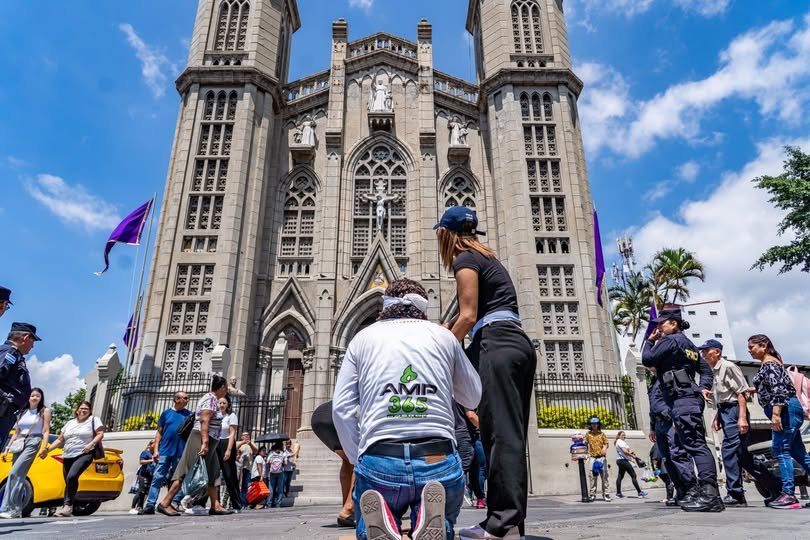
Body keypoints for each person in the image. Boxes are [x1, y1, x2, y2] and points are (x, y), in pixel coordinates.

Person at [332, 278, 482, 540]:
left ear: (385, 306)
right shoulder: (443, 337)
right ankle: (429, 519)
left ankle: (383, 523)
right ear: (423, 309)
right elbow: (472, 396)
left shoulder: (362, 338)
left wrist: (359, 457)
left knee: (374, 497)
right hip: (436, 459)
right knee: (442, 505)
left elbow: (342, 409)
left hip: (381, 458)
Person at [435, 206, 536, 540]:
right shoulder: (488, 258)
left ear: (446, 234)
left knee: (501, 437)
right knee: (506, 435)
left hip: (497, 344)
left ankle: (502, 523)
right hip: (514, 341)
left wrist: (435, 348)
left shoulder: (464, 259)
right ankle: (507, 524)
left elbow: (466, 316)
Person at [642, 308, 722, 512]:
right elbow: (705, 370)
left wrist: (651, 341)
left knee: (695, 446)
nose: (659, 327)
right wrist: (703, 387)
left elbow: (648, 360)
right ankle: (708, 495)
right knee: (695, 445)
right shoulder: (690, 345)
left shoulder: (671, 340)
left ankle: (710, 496)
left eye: (663, 323)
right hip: (688, 398)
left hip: (682, 400)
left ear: (674, 324)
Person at [700, 338, 776, 507]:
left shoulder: (728, 366)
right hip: (726, 411)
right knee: (743, 457)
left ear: (717, 352)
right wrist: (718, 416)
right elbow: (724, 396)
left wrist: (741, 417)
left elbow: (741, 394)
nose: (703, 354)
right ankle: (775, 486)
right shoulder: (715, 370)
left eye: (706, 350)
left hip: (735, 411)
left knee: (729, 451)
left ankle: (736, 494)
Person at [748, 334, 810, 509]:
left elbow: (780, 390)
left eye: (752, 347)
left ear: (764, 345)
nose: (749, 351)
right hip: (788, 410)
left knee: (780, 450)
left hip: (784, 411)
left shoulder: (769, 364)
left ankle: (789, 495)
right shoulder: (771, 364)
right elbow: (775, 385)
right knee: (800, 454)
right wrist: (755, 389)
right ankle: (788, 493)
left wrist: (776, 415)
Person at [156, 375, 232, 516]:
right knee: (187, 469)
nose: (226, 390)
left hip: (211, 440)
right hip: (200, 439)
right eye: (226, 387)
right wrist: (205, 442)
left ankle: (216, 505)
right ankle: (165, 503)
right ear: (221, 387)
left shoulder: (214, 399)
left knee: (213, 472)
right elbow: (204, 420)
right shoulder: (209, 399)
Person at [39, 401, 105, 517]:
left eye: (86, 409)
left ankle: (68, 506)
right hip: (68, 455)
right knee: (68, 481)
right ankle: (68, 507)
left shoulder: (93, 420)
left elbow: (100, 433)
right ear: (77, 410)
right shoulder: (70, 423)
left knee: (72, 476)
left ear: (90, 411)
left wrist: (91, 444)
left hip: (85, 453)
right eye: (81, 408)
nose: (83, 410)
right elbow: (60, 439)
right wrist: (47, 450)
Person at [0, 387, 50, 519]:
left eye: (37, 396)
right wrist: (7, 449)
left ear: (41, 398)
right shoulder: (22, 412)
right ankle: (16, 509)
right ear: (28, 397)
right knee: (18, 476)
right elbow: (16, 432)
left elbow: (45, 431)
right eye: (32, 395)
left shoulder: (44, 411)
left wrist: (44, 447)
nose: (34, 398)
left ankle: (7, 508)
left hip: (34, 441)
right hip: (19, 442)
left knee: (14, 473)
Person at [647, 373, 696, 506]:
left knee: (678, 454)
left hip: (670, 421)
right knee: (667, 459)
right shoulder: (653, 381)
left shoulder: (669, 374)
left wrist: (676, 417)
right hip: (658, 423)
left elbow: (678, 397)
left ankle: (691, 489)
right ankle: (680, 490)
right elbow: (653, 405)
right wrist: (652, 426)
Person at [140, 391, 192, 514]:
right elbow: (159, 432)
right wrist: (156, 450)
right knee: (157, 478)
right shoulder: (166, 414)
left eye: (187, 398)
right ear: (176, 399)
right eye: (184, 398)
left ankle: (171, 503)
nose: (186, 400)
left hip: (180, 452)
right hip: (165, 451)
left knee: (177, 479)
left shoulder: (189, 415)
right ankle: (150, 505)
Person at [312, 400, 356, 528]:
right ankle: (348, 510)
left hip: (319, 417)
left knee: (348, 462)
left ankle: (347, 506)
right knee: (361, 461)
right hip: (339, 416)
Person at [0, 323, 38, 450]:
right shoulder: (11, 352)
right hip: (3, 409)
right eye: (33, 341)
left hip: (7, 412)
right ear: (26, 338)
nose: (32, 346)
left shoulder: (15, 355)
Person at [216, 395, 241, 511]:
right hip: (216, 443)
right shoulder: (215, 416)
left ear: (228, 405)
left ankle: (236, 504)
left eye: (224, 403)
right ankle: (215, 503)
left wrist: (229, 450)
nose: (221, 405)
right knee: (214, 475)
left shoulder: (231, 416)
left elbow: (232, 434)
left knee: (229, 475)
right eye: (220, 403)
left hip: (227, 444)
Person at [613, 431, 647, 499]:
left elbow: (624, 451)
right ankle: (640, 492)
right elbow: (625, 452)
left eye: (624, 435)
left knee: (620, 476)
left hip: (620, 461)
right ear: (619, 435)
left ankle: (618, 493)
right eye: (622, 435)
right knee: (633, 475)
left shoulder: (619, 442)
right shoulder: (620, 441)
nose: (624, 436)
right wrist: (632, 455)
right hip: (623, 461)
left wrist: (630, 453)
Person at [584, 417, 610, 502]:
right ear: (590, 425)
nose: (594, 425)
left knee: (604, 476)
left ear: (598, 424)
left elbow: (606, 443)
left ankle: (606, 494)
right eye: (592, 424)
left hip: (601, 458)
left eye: (596, 424)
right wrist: (586, 453)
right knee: (592, 476)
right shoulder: (588, 434)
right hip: (592, 457)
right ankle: (592, 494)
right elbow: (585, 444)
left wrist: (604, 448)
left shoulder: (602, 434)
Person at [466, 410, 487, 510]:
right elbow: (472, 417)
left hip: (472, 437)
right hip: (478, 437)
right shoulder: (474, 403)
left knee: (475, 469)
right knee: (481, 469)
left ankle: (472, 491)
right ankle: (480, 498)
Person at [131, 440, 156, 514]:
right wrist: (151, 460)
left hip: (150, 475)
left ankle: (140, 507)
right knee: (140, 491)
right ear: (151, 445)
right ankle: (132, 507)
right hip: (143, 475)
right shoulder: (145, 452)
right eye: (155, 444)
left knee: (145, 492)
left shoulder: (153, 453)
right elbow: (141, 461)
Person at [236, 432, 257, 508]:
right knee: (237, 486)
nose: (247, 436)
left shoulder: (251, 444)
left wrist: (250, 444)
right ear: (241, 437)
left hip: (247, 468)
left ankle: (243, 503)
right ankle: (235, 502)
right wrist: (242, 443)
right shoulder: (238, 443)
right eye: (245, 435)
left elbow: (255, 451)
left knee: (245, 486)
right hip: (238, 468)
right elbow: (234, 449)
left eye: (248, 435)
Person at [265, 442, 286, 508]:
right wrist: (281, 466)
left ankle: (269, 504)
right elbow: (286, 463)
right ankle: (278, 504)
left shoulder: (271, 453)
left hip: (272, 473)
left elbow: (267, 462)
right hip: (280, 472)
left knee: (271, 489)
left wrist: (270, 467)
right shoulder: (283, 454)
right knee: (280, 489)